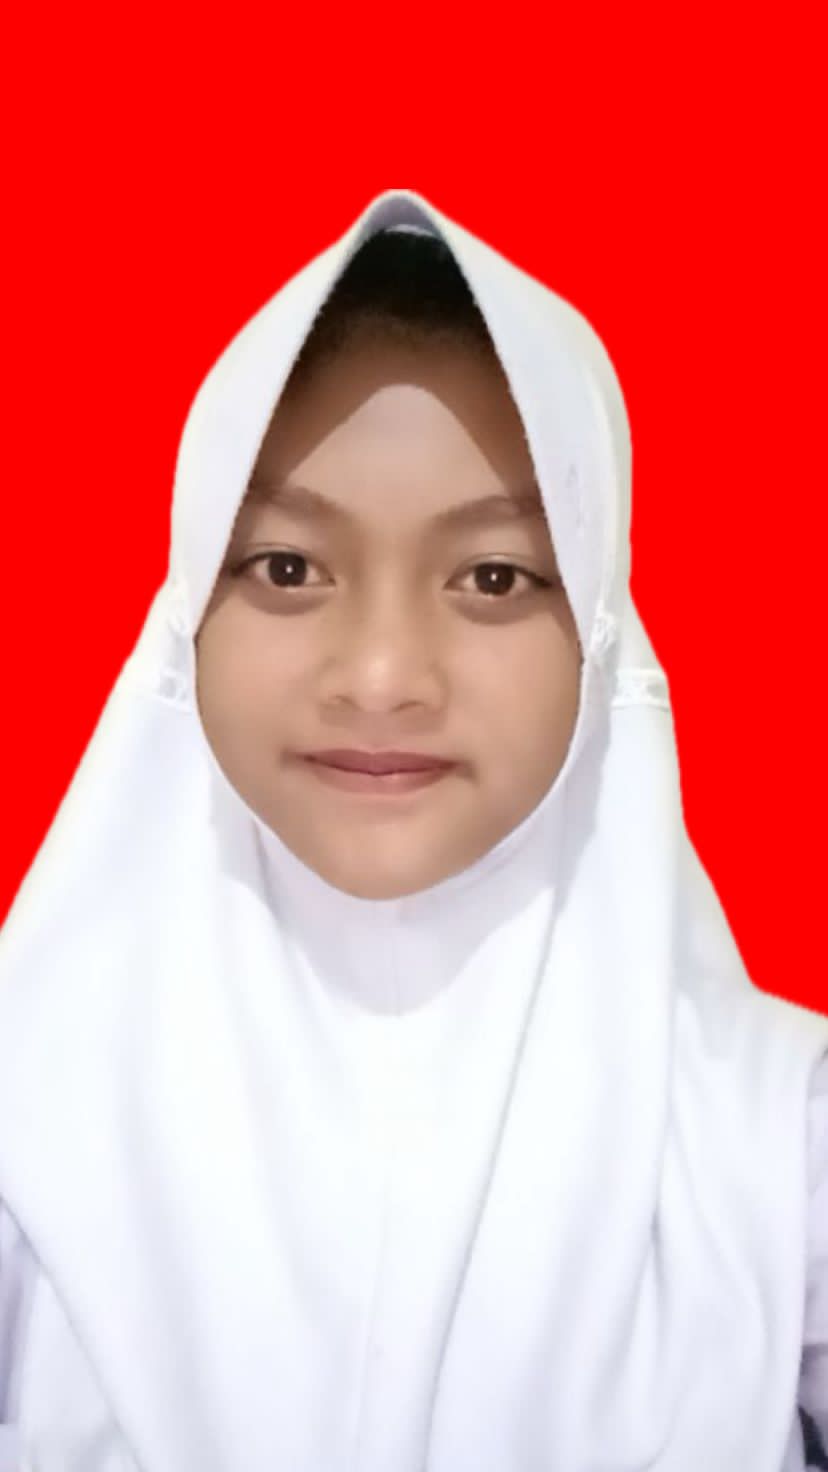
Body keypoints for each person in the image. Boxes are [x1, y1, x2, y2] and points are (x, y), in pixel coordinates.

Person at [0, 189, 825, 1472]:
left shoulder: (785, 1140)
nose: (383, 675)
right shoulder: (25, 1110)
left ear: (602, 632)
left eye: (494, 577)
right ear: (186, 610)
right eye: (287, 567)